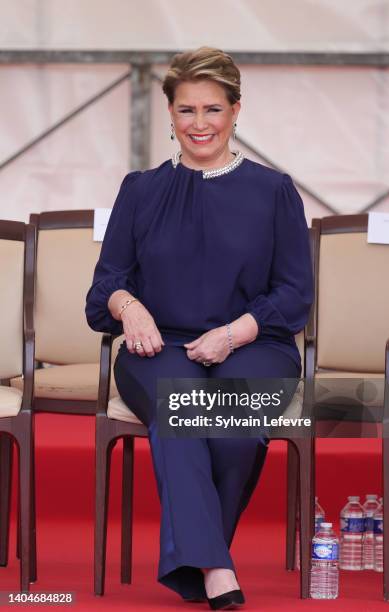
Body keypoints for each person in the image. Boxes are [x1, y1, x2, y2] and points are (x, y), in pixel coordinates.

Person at [86, 46, 313, 610]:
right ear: (169, 114)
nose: (199, 124)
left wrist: (234, 333)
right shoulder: (140, 191)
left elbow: (294, 293)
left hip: (256, 344)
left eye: (212, 109)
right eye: (187, 110)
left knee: (234, 432)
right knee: (182, 407)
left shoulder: (273, 191)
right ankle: (213, 566)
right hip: (157, 345)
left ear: (236, 110)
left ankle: (201, 556)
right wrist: (127, 305)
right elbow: (104, 286)